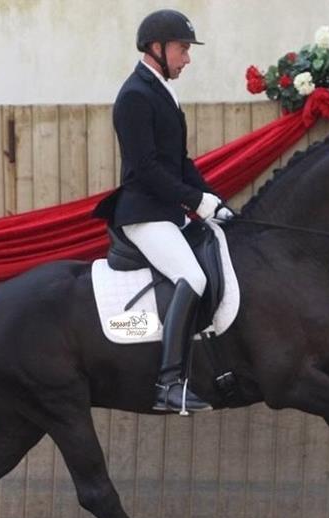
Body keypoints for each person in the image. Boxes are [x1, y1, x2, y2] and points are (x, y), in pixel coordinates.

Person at [94, 9, 233, 415]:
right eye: (183, 49)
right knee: (192, 275)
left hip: (165, 211)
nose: (187, 58)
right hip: (143, 213)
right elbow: (146, 169)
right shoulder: (135, 96)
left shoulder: (160, 91)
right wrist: (194, 201)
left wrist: (212, 200)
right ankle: (169, 383)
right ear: (156, 48)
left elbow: (179, 161)